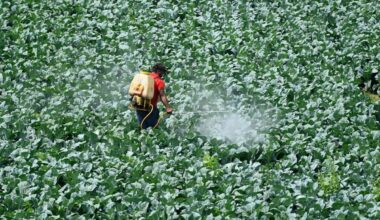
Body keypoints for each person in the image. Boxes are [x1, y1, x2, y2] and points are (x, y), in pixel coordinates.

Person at [136, 63, 173, 129]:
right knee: (153, 128)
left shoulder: (144, 77)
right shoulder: (159, 81)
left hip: (139, 106)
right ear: (159, 71)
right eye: (163, 72)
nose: (163, 74)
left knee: (143, 128)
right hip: (150, 108)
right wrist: (168, 108)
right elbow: (162, 96)